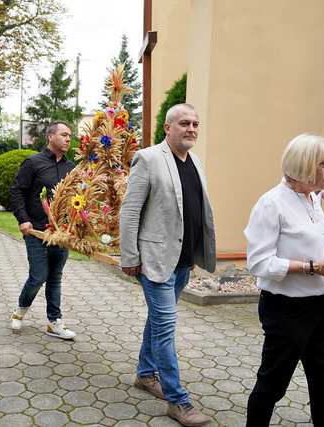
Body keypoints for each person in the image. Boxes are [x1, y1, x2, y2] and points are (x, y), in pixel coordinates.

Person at [244, 133, 324, 426]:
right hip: (286, 311)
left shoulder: (312, 199)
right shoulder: (271, 204)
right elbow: (258, 262)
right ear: (304, 165)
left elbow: (320, 248)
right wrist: (312, 267)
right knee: (272, 387)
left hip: (322, 306)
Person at [120, 104, 216, 427]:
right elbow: (130, 212)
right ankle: (179, 401)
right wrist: (130, 257)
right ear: (167, 127)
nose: (191, 129)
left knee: (159, 321)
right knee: (165, 329)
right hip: (156, 262)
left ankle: (146, 374)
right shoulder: (148, 159)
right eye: (184, 123)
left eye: (195, 124)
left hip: (183, 262)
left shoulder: (196, 162)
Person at [8, 121, 76, 340]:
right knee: (38, 276)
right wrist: (23, 219)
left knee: (55, 277)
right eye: (64, 134)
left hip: (61, 233)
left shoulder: (71, 168)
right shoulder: (33, 163)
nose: (68, 139)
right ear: (50, 137)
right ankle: (20, 311)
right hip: (36, 231)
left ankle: (54, 322)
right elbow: (17, 191)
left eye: (70, 136)